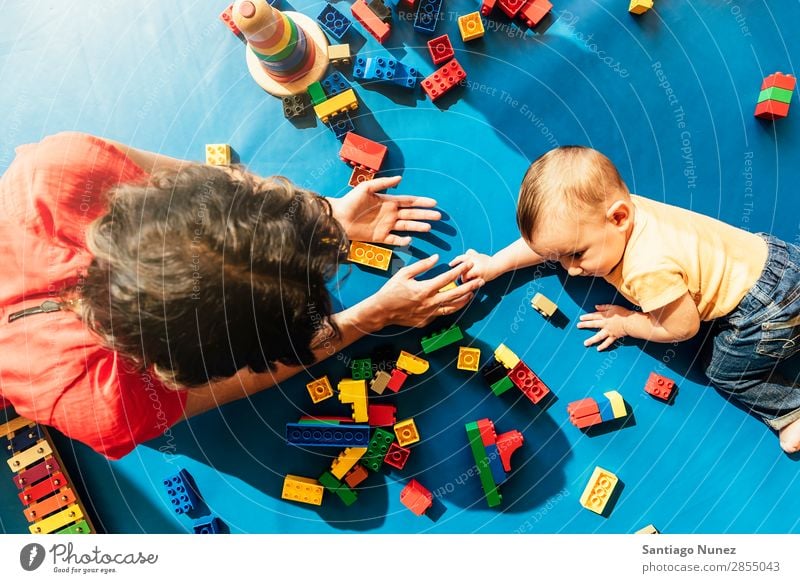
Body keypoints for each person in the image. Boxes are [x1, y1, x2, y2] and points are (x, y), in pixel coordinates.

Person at [0, 132, 484, 459]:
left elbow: (210, 189)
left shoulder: (60, 169)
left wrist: (322, 214)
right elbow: (236, 380)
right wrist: (365, 318)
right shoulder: (103, 406)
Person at [451, 146, 800, 453]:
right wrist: (496, 264)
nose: (570, 269)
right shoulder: (612, 212)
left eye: (576, 255)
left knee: (723, 371)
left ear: (619, 218)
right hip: (777, 259)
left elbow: (683, 326)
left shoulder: (644, 268)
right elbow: (548, 242)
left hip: (764, 313)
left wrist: (625, 324)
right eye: (558, 258)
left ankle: (789, 411)